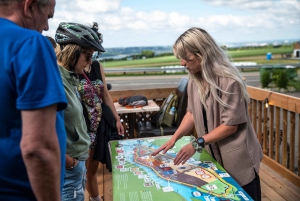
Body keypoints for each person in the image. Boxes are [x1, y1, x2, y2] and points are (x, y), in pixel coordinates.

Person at [152, 27, 263, 201]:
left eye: (185, 58)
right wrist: (174, 138)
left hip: (238, 158)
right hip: (213, 153)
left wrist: (197, 143)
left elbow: (230, 125)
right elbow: (191, 113)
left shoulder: (229, 81)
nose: (182, 63)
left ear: (202, 54)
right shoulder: (194, 78)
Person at [0, 0, 68, 201]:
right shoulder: (29, 43)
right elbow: (37, 148)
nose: (46, 27)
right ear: (28, 6)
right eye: (48, 16)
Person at [55, 22, 106, 201]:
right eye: (87, 55)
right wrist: (71, 163)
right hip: (68, 169)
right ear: (72, 51)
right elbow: (41, 135)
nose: (90, 62)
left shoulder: (70, 80)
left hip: (76, 165)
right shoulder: (56, 83)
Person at [77, 22, 124, 201]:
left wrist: (117, 119)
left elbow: (105, 94)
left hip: (99, 126)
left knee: (92, 170)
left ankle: (94, 199)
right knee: (82, 170)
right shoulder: (73, 68)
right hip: (83, 128)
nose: (92, 55)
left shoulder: (97, 66)